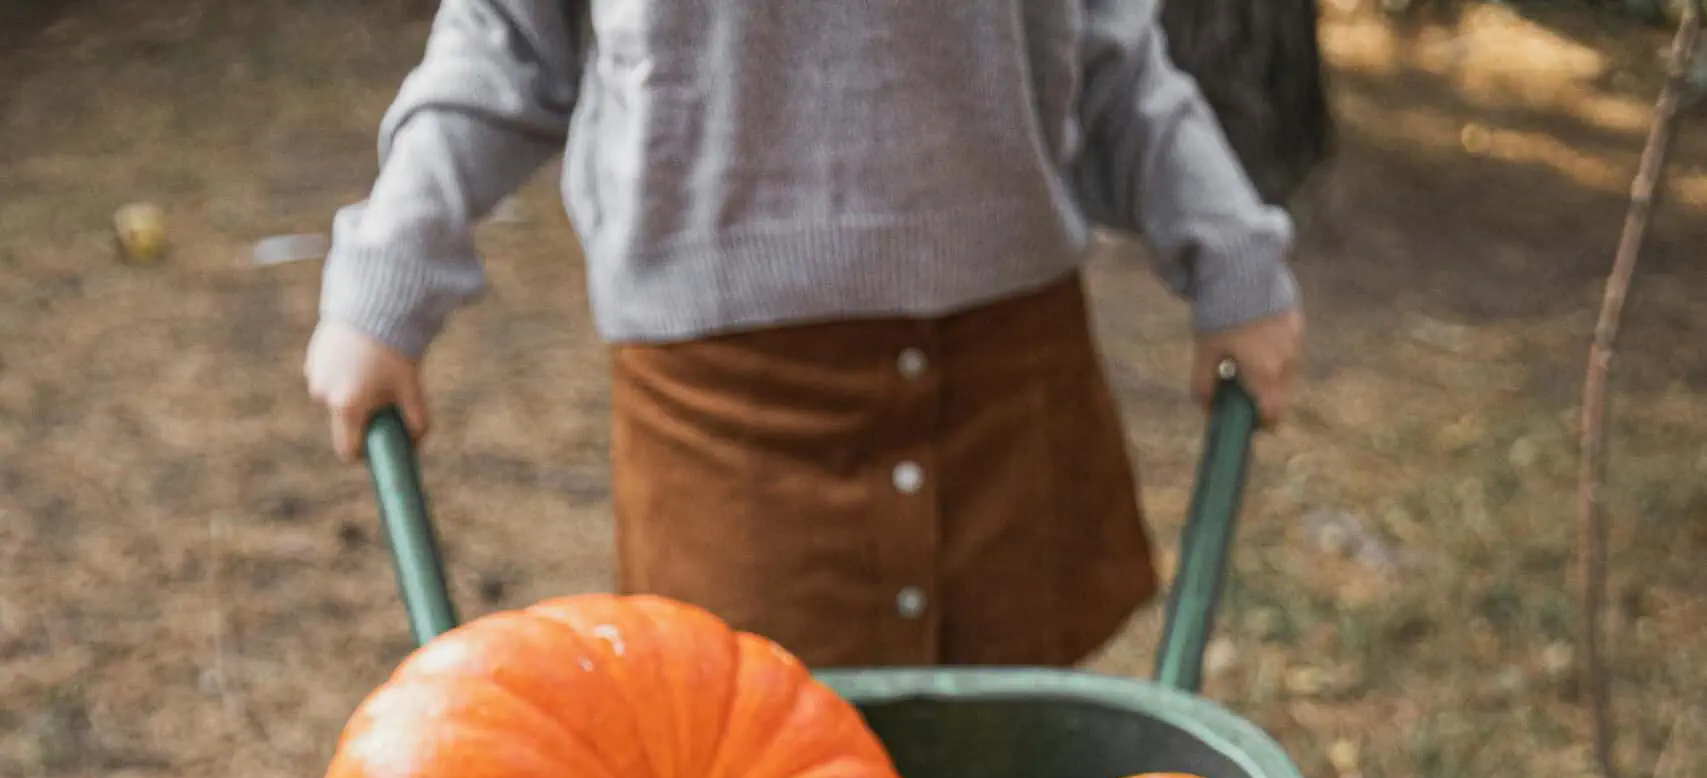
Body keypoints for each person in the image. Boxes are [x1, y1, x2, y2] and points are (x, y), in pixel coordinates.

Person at [307, 1, 1303, 668]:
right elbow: (505, 47)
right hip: (725, 408)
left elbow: (1109, 49)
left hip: (1011, 372)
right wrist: (388, 275)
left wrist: (1232, 256)